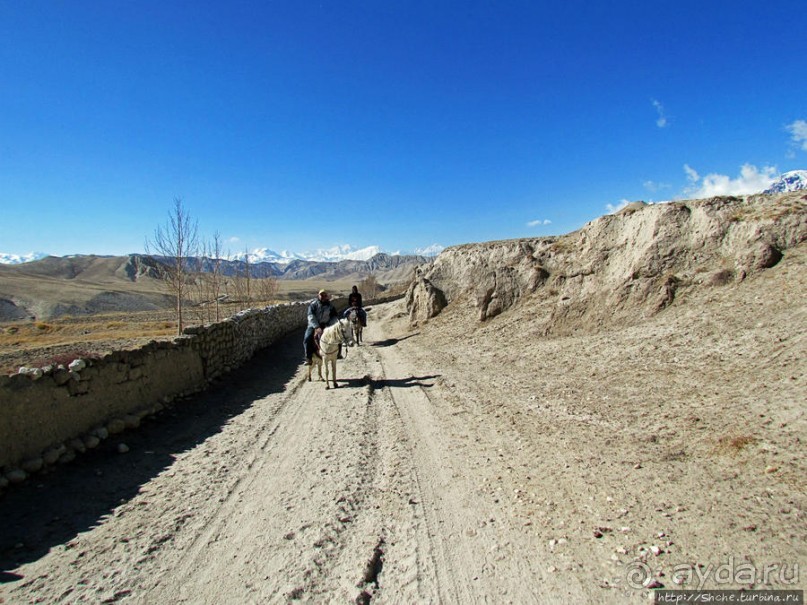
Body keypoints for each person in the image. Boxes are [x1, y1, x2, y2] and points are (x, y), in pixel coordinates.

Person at [304, 289, 340, 365]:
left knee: (338, 335)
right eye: (321, 295)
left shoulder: (330, 306)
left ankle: (338, 353)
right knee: (307, 338)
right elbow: (311, 316)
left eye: (324, 295)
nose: (323, 297)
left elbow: (334, 316)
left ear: (327, 296)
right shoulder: (313, 305)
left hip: (325, 324)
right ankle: (308, 358)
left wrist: (333, 325)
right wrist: (316, 327)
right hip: (313, 325)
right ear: (318, 295)